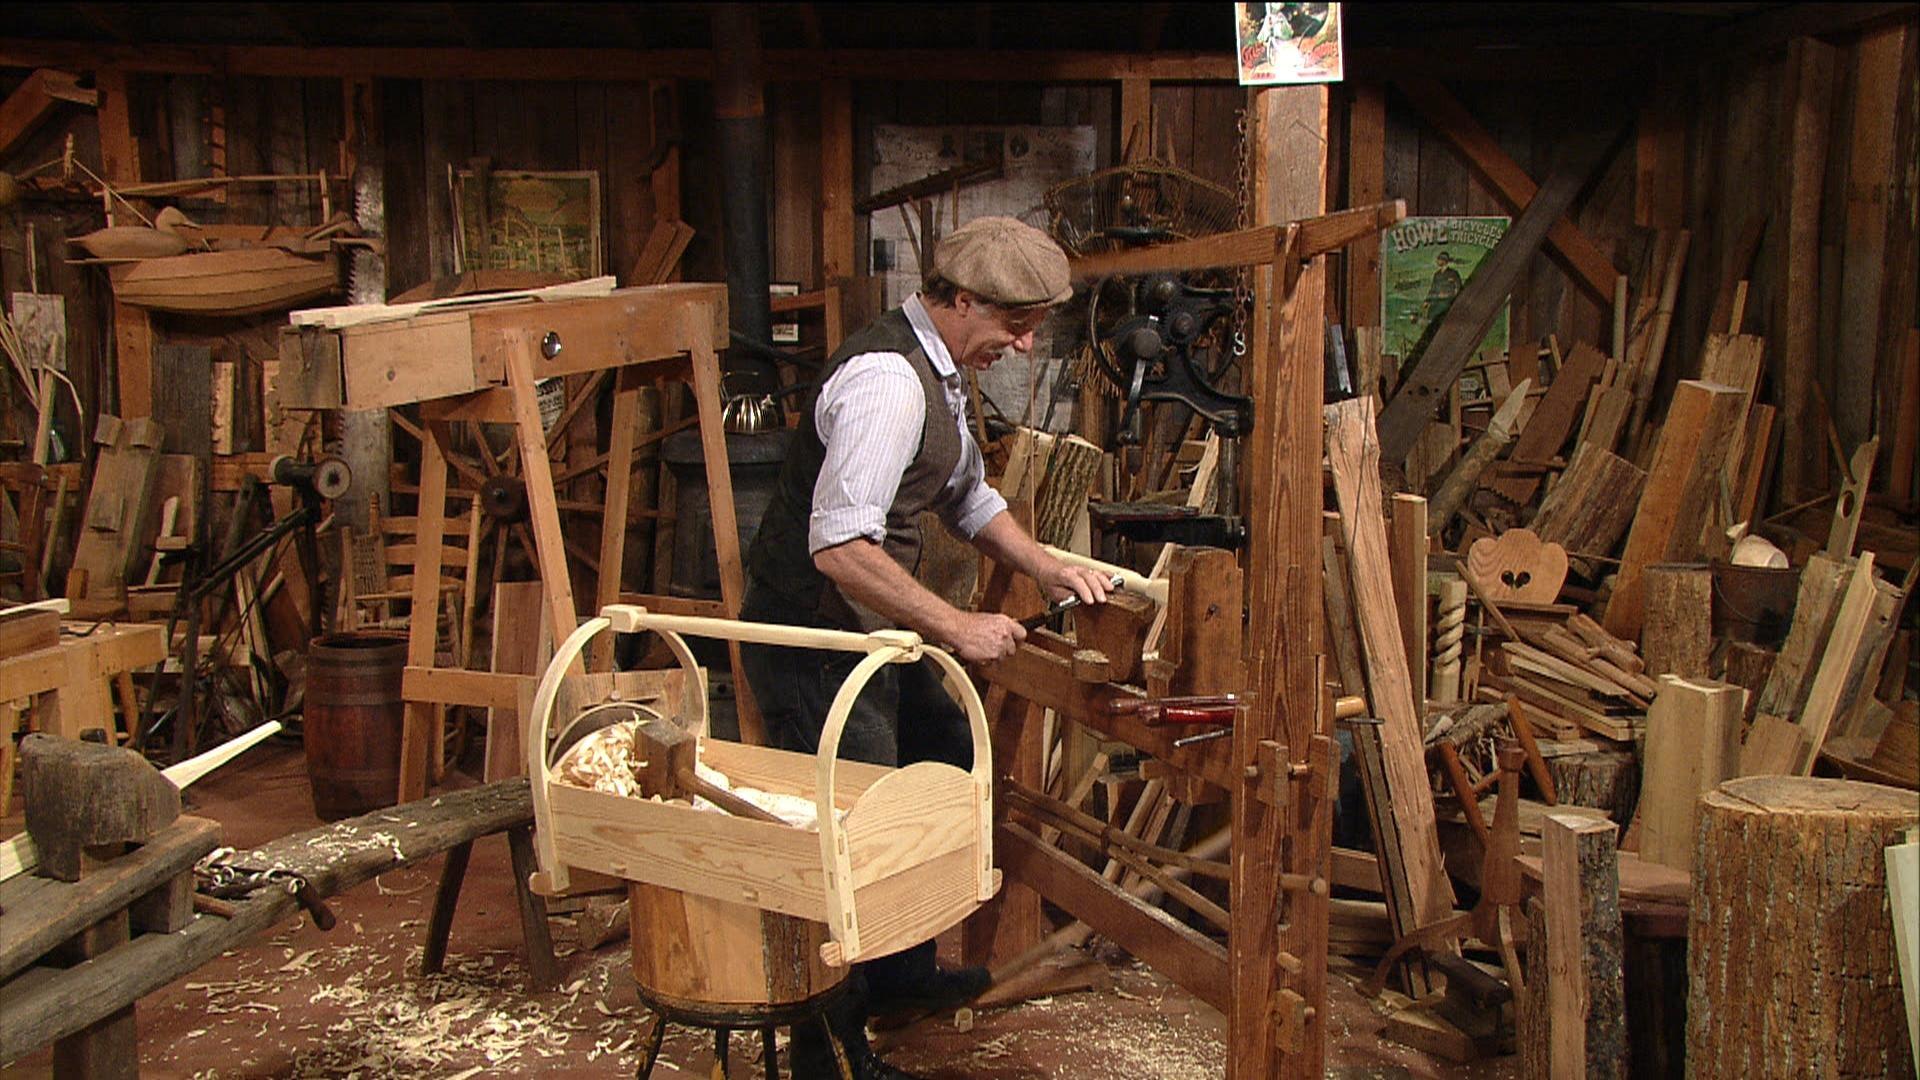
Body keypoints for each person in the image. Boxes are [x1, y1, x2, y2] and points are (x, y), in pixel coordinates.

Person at [740, 216, 1115, 1079]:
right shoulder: (887, 384)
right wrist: (956, 627)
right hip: (814, 639)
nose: (1020, 347)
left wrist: (1047, 568)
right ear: (958, 300)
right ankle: (826, 1053)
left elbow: (966, 494)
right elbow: (839, 549)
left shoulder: (939, 372)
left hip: (868, 633)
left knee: (941, 759)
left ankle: (899, 978)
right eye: (1013, 327)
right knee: (850, 842)